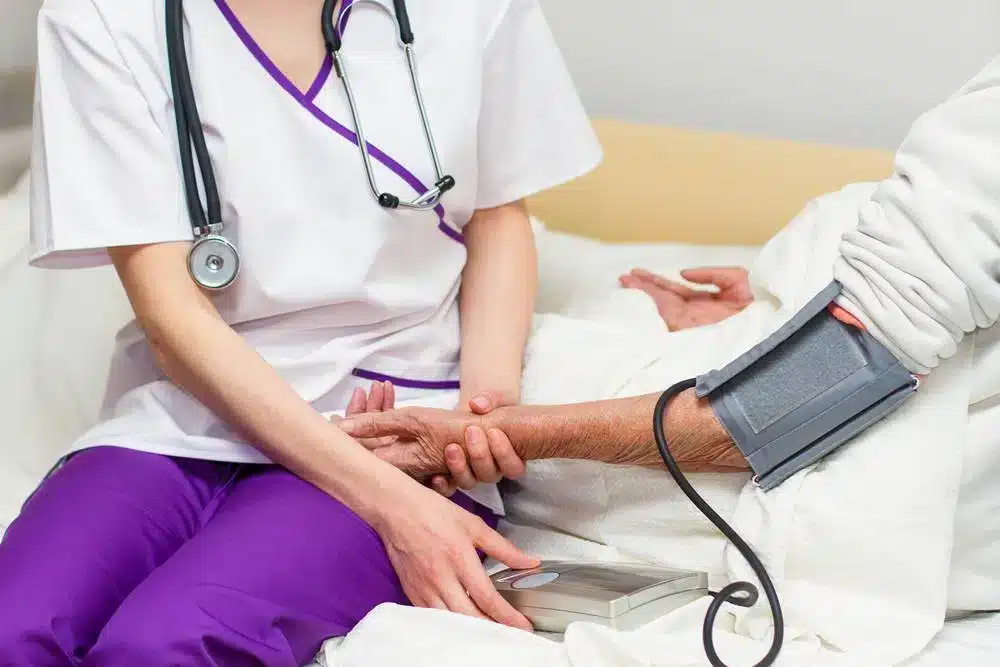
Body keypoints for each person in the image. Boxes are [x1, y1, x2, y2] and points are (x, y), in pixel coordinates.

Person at [0, 0, 603, 664]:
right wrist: (390, 506)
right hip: (182, 415)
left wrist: (481, 418)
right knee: (13, 627)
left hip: (397, 418)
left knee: (165, 644)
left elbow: (496, 216)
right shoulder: (103, 16)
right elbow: (172, 321)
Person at [339, 51, 1000, 495]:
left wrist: (503, 432)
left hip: (887, 416)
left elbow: (821, 384)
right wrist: (810, 301)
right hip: (834, 312)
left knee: (430, 419)